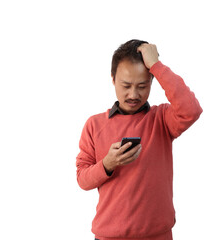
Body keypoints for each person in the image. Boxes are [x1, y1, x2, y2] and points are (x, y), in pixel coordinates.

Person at [76, 39, 202, 240]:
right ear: (113, 79)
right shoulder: (94, 124)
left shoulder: (162, 119)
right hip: (108, 235)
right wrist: (108, 164)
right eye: (126, 85)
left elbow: (191, 110)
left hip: (158, 235)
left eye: (142, 86)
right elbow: (82, 179)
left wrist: (157, 67)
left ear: (153, 81)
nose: (133, 94)